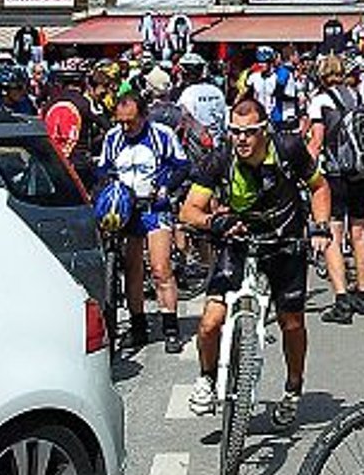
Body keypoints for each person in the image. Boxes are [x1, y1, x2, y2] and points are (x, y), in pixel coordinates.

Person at [179, 97, 321, 428]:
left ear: (264, 131)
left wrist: (321, 227)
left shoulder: (289, 149)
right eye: (235, 132)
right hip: (238, 241)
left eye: (250, 132)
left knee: (292, 323)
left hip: (284, 241)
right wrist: (215, 223)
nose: (241, 139)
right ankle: (207, 377)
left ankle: (293, 387)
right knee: (210, 322)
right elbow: (189, 210)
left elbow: (319, 186)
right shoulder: (221, 159)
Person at [99, 91, 192, 353]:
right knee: (132, 270)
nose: (126, 127)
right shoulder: (113, 138)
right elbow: (103, 169)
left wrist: (166, 187)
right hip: (125, 210)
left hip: (154, 208)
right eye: (121, 122)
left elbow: (182, 166)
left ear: (143, 116)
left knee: (161, 268)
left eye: (131, 121)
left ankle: (171, 328)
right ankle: (138, 326)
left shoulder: (161, 135)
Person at [306, 54, 364, 324]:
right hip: (363, 173)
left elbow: (317, 142)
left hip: (336, 174)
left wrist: (305, 170)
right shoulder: (359, 97)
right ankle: (362, 292)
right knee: (360, 232)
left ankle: (341, 299)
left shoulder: (321, 101)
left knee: (334, 235)